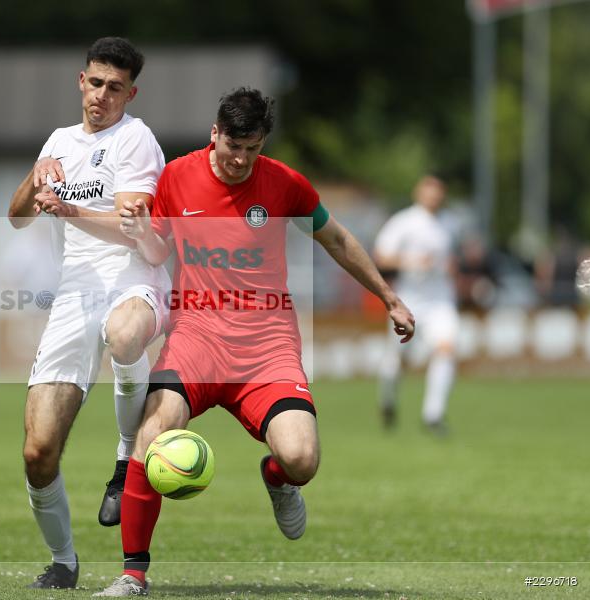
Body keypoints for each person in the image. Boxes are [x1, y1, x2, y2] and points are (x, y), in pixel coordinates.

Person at [93, 88, 415, 597]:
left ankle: (277, 478)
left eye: (253, 148)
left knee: (303, 458)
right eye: (233, 146)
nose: (241, 159)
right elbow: (157, 250)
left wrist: (389, 297)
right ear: (214, 134)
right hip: (196, 338)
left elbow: (336, 239)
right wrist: (138, 232)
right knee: (150, 434)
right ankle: (133, 575)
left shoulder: (285, 184)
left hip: (267, 347)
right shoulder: (176, 176)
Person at [6, 37, 169, 589]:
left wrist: (68, 206)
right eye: (95, 83)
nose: (102, 96)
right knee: (38, 451)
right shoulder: (58, 140)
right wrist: (37, 176)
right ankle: (63, 563)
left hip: (131, 276)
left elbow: (131, 225)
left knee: (125, 336)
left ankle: (126, 461)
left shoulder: (136, 139)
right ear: (82, 81)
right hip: (74, 292)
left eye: (115, 87)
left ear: (131, 93)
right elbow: (16, 217)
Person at [374, 175, 458, 434]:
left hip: (441, 300)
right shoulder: (404, 222)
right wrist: (412, 261)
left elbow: (451, 259)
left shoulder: (449, 223)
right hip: (409, 299)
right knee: (396, 359)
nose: (434, 197)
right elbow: (381, 256)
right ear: (418, 192)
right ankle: (387, 400)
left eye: (439, 191)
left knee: (446, 349)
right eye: (429, 191)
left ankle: (433, 414)